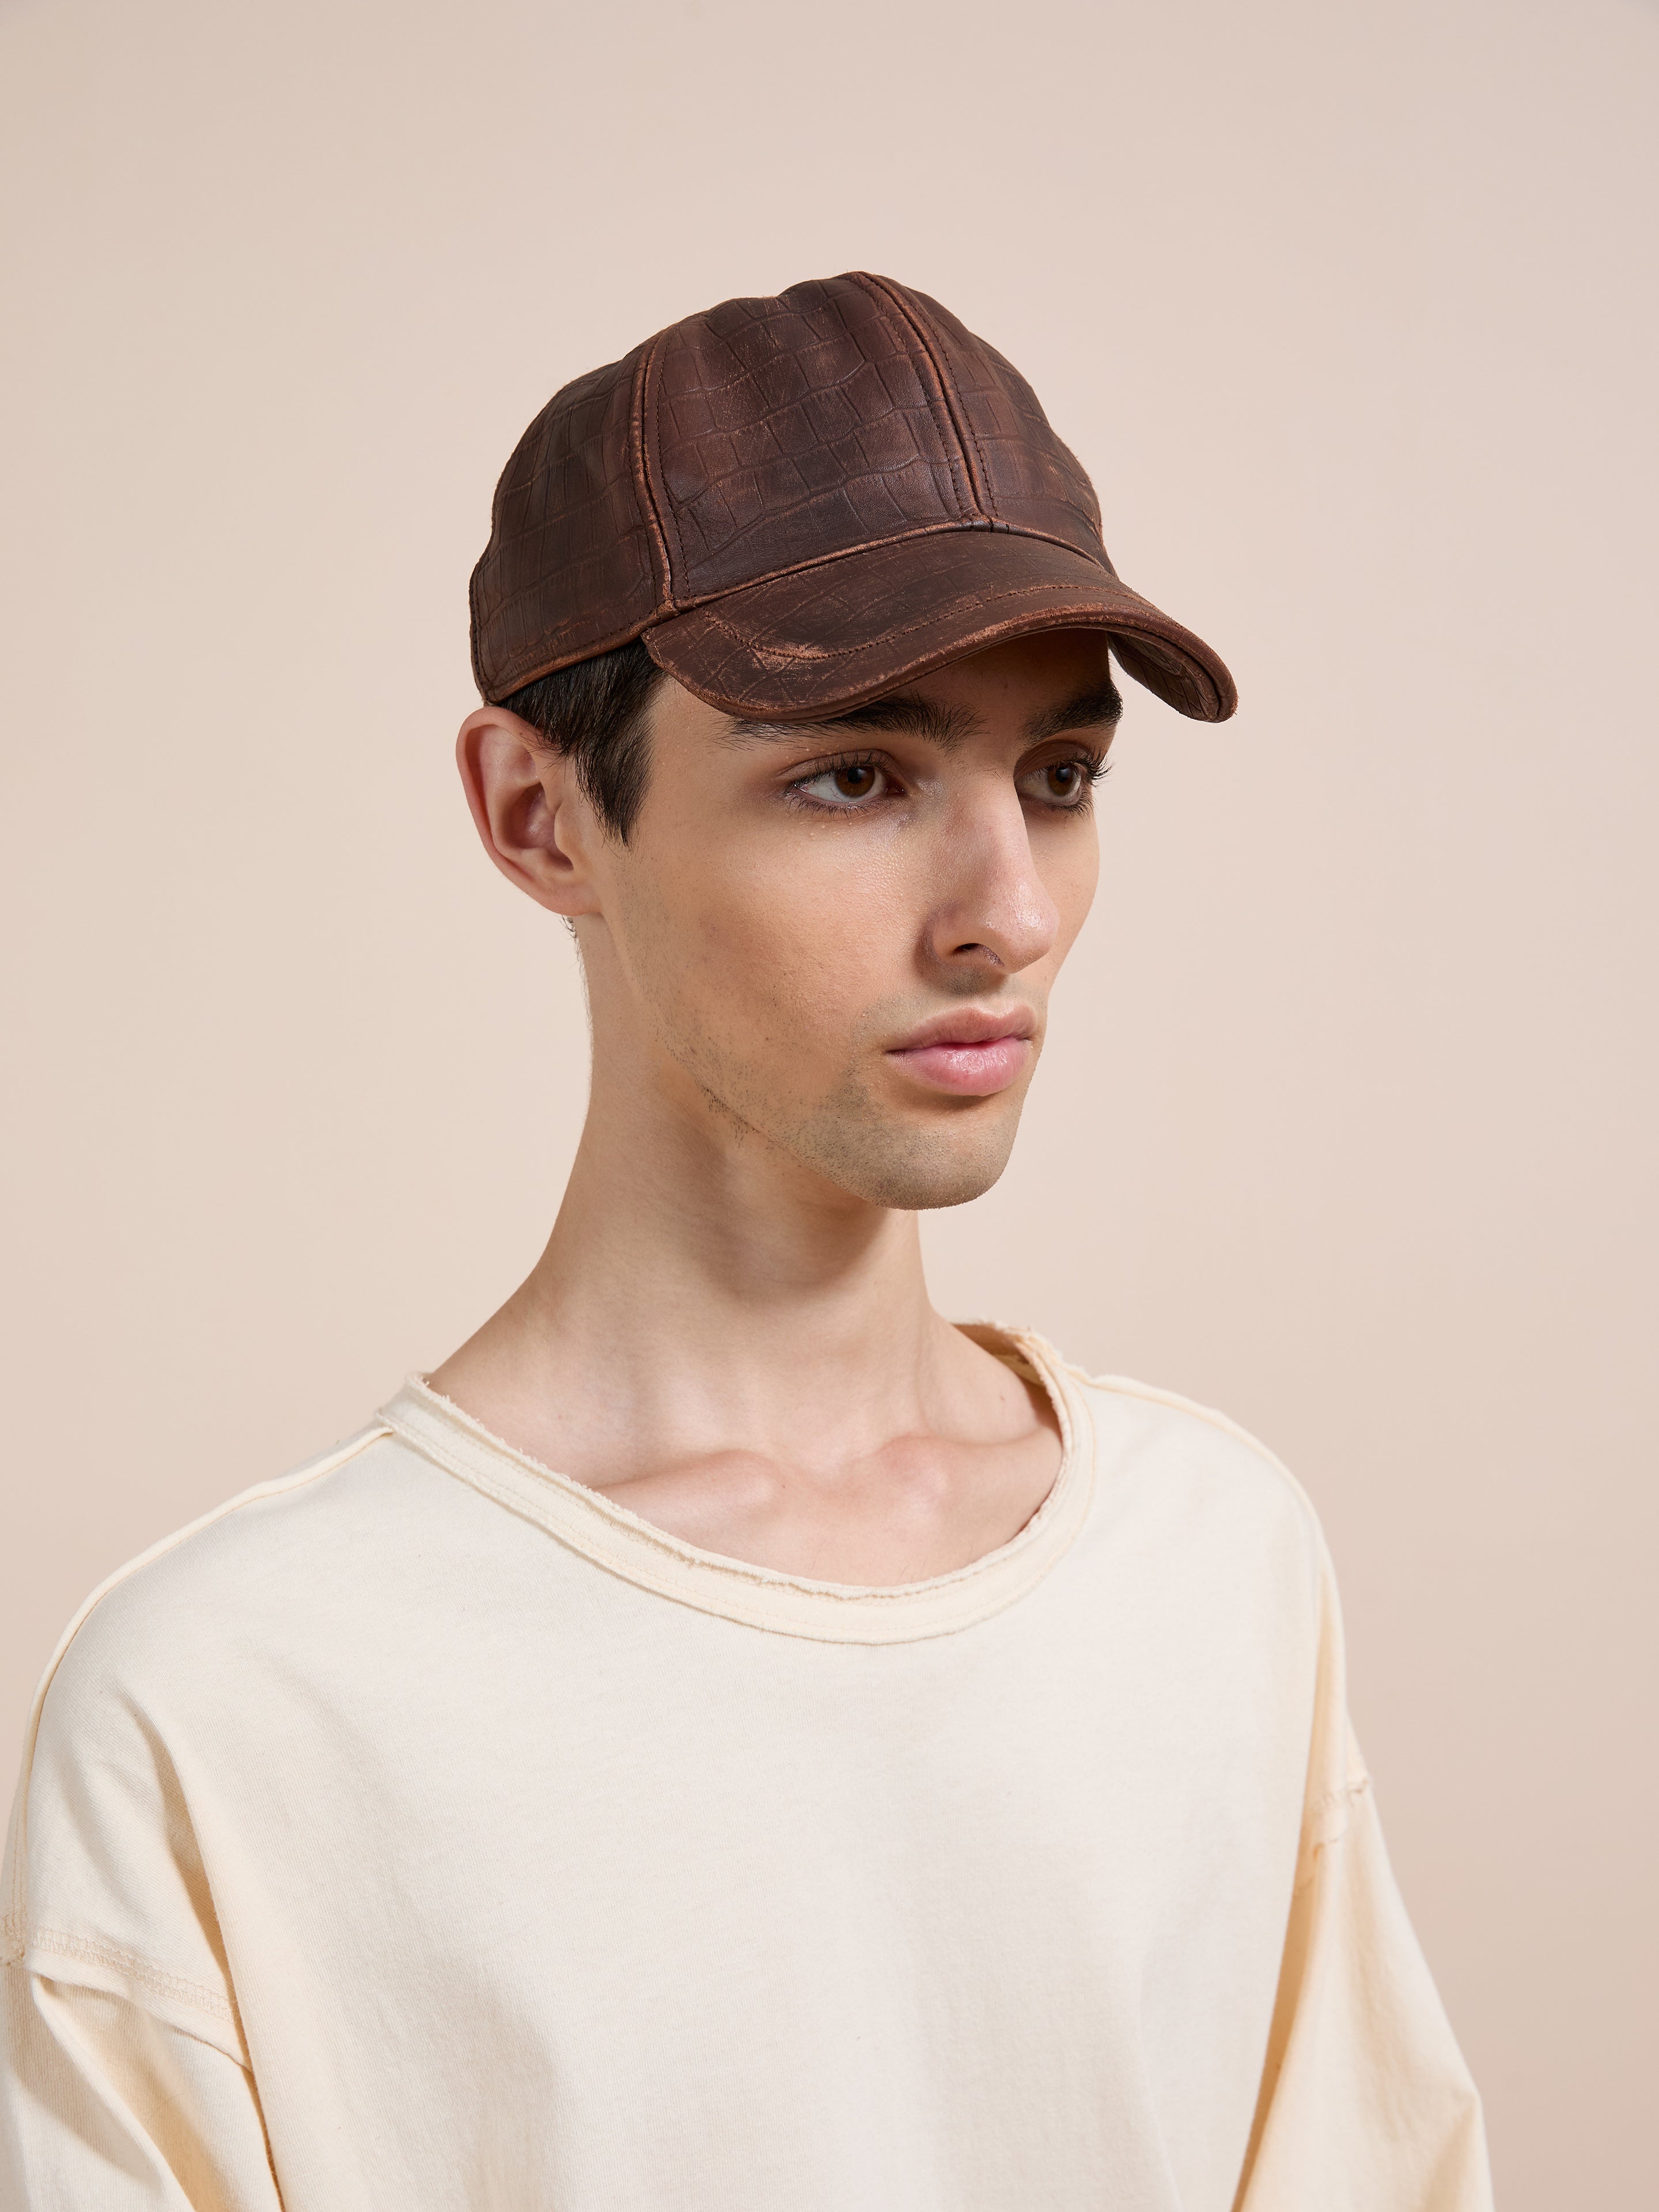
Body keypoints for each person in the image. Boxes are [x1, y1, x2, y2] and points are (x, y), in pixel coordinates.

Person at [0, 273, 1493, 2210]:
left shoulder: (1215, 1564)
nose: (1008, 912)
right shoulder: (228, 1706)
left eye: (1061, 776)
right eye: (856, 775)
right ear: (541, 818)